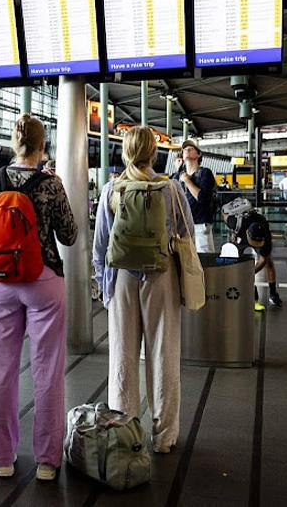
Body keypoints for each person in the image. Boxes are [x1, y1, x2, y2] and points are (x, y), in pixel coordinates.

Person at [0, 114, 77, 481]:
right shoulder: (51, 184)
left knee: (2, 370)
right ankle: (47, 461)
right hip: (42, 280)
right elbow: (69, 235)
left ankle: (3, 457)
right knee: (47, 370)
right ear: (43, 145)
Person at [93, 126, 194, 454]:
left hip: (122, 278)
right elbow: (186, 233)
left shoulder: (112, 189)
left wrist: (105, 287)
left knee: (122, 355)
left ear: (124, 153)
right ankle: (164, 436)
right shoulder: (172, 189)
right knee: (164, 354)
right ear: (154, 153)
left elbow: (100, 246)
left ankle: (124, 433)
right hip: (161, 275)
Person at [226, 209, 281, 310]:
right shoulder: (235, 223)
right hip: (240, 237)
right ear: (247, 233)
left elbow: (263, 260)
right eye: (256, 245)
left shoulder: (265, 238)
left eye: (259, 245)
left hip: (256, 229)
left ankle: (273, 294)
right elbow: (224, 214)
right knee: (233, 260)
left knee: (269, 263)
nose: (258, 246)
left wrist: (250, 273)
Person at [173, 139, 216, 253]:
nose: (187, 150)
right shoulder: (177, 176)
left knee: (204, 261)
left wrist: (187, 180)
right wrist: (179, 171)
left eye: (191, 149)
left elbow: (202, 198)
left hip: (200, 225)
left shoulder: (205, 173)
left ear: (198, 154)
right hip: (183, 226)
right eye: (185, 150)